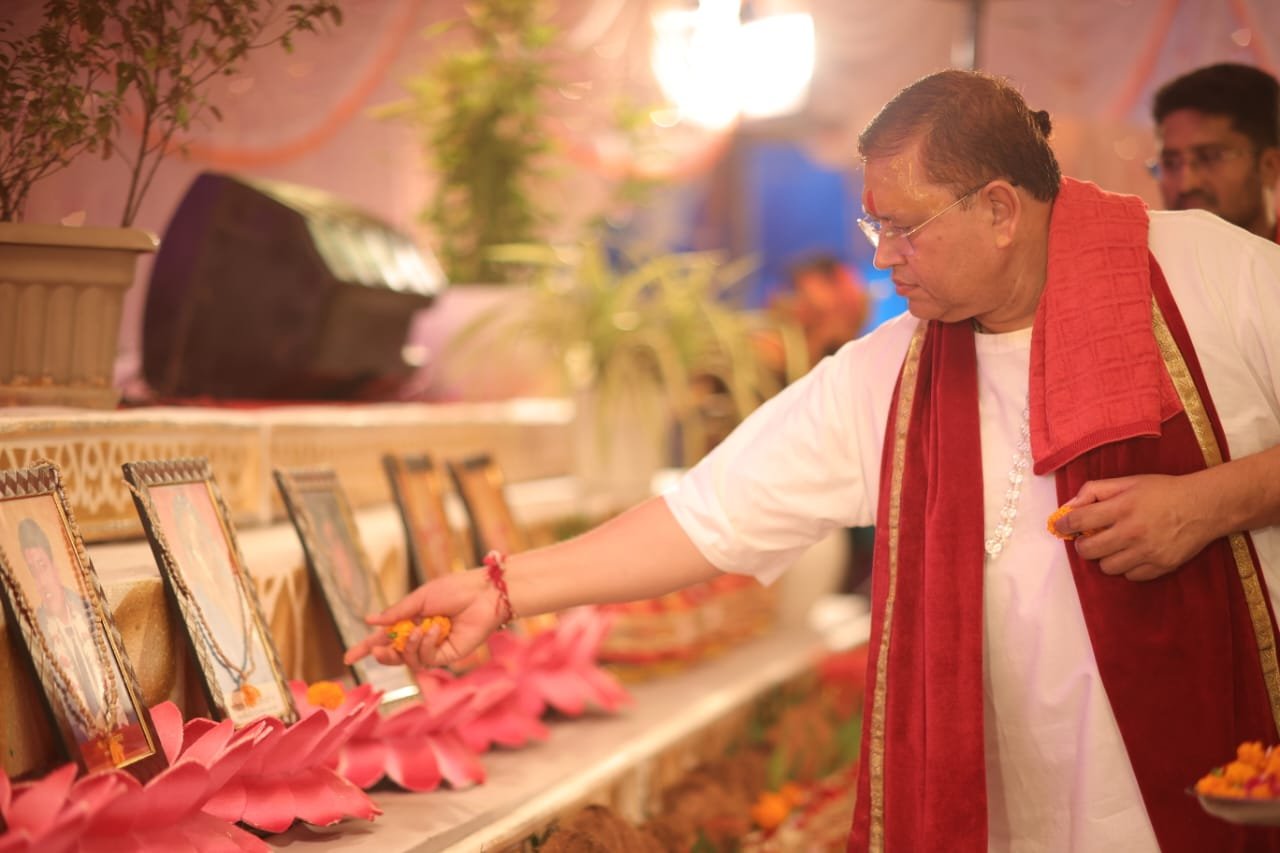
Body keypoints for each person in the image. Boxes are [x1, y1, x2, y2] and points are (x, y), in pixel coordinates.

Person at [347, 69, 1280, 852]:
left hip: (1211, 784)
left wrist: (1210, 502)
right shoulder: (895, 370)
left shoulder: (1204, 274)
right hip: (1013, 805)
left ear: (1000, 209)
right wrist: (502, 589)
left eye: (904, 228)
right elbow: (708, 516)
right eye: (876, 228)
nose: (883, 261)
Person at [1151, 62, 1280, 242]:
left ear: (1269, 166)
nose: (1186, 184)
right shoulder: (1147, 257)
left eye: (1210, 157)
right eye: (1170, 163)